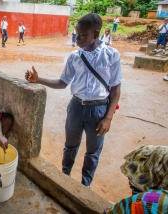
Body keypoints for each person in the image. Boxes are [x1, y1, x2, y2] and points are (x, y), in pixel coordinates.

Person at [25, 13, 123, 188]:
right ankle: (65, 177)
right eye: (76, 34)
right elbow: (62, 83)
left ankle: (85, 186)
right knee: (70, 146)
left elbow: (116, 89)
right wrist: (38, 80)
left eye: (82, 35)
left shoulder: (111, 55)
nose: (77, 38)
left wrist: (108, 118)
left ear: (96, 33)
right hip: (76, 107)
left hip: (99, 111)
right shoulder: (74, 57)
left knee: (93, 152)